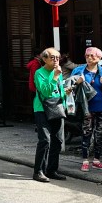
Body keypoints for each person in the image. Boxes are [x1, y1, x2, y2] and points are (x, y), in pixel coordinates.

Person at [69, 47, 102, 171]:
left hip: (101, 106)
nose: (89, 58)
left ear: (99, 58)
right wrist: (77, 82)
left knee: (99, 134)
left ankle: (96, 160)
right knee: (86, 132)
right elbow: (69, 89)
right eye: (87, 56)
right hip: (86, 107)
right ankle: (85, 160)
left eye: (92, 56)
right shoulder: (78, 71)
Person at [32, 47, 67, 182]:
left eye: (58, 58)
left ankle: (52, 170)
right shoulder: (39, 73)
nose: (56, 60)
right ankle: (38, 171)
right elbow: (46, 92)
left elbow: (60, 90)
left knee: (57, 140)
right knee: (45, 140)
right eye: (53, 58)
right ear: (44, 59)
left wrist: (65, 102)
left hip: (57, 108)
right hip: (42, 109)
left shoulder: (57, 71)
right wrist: (56, 76)